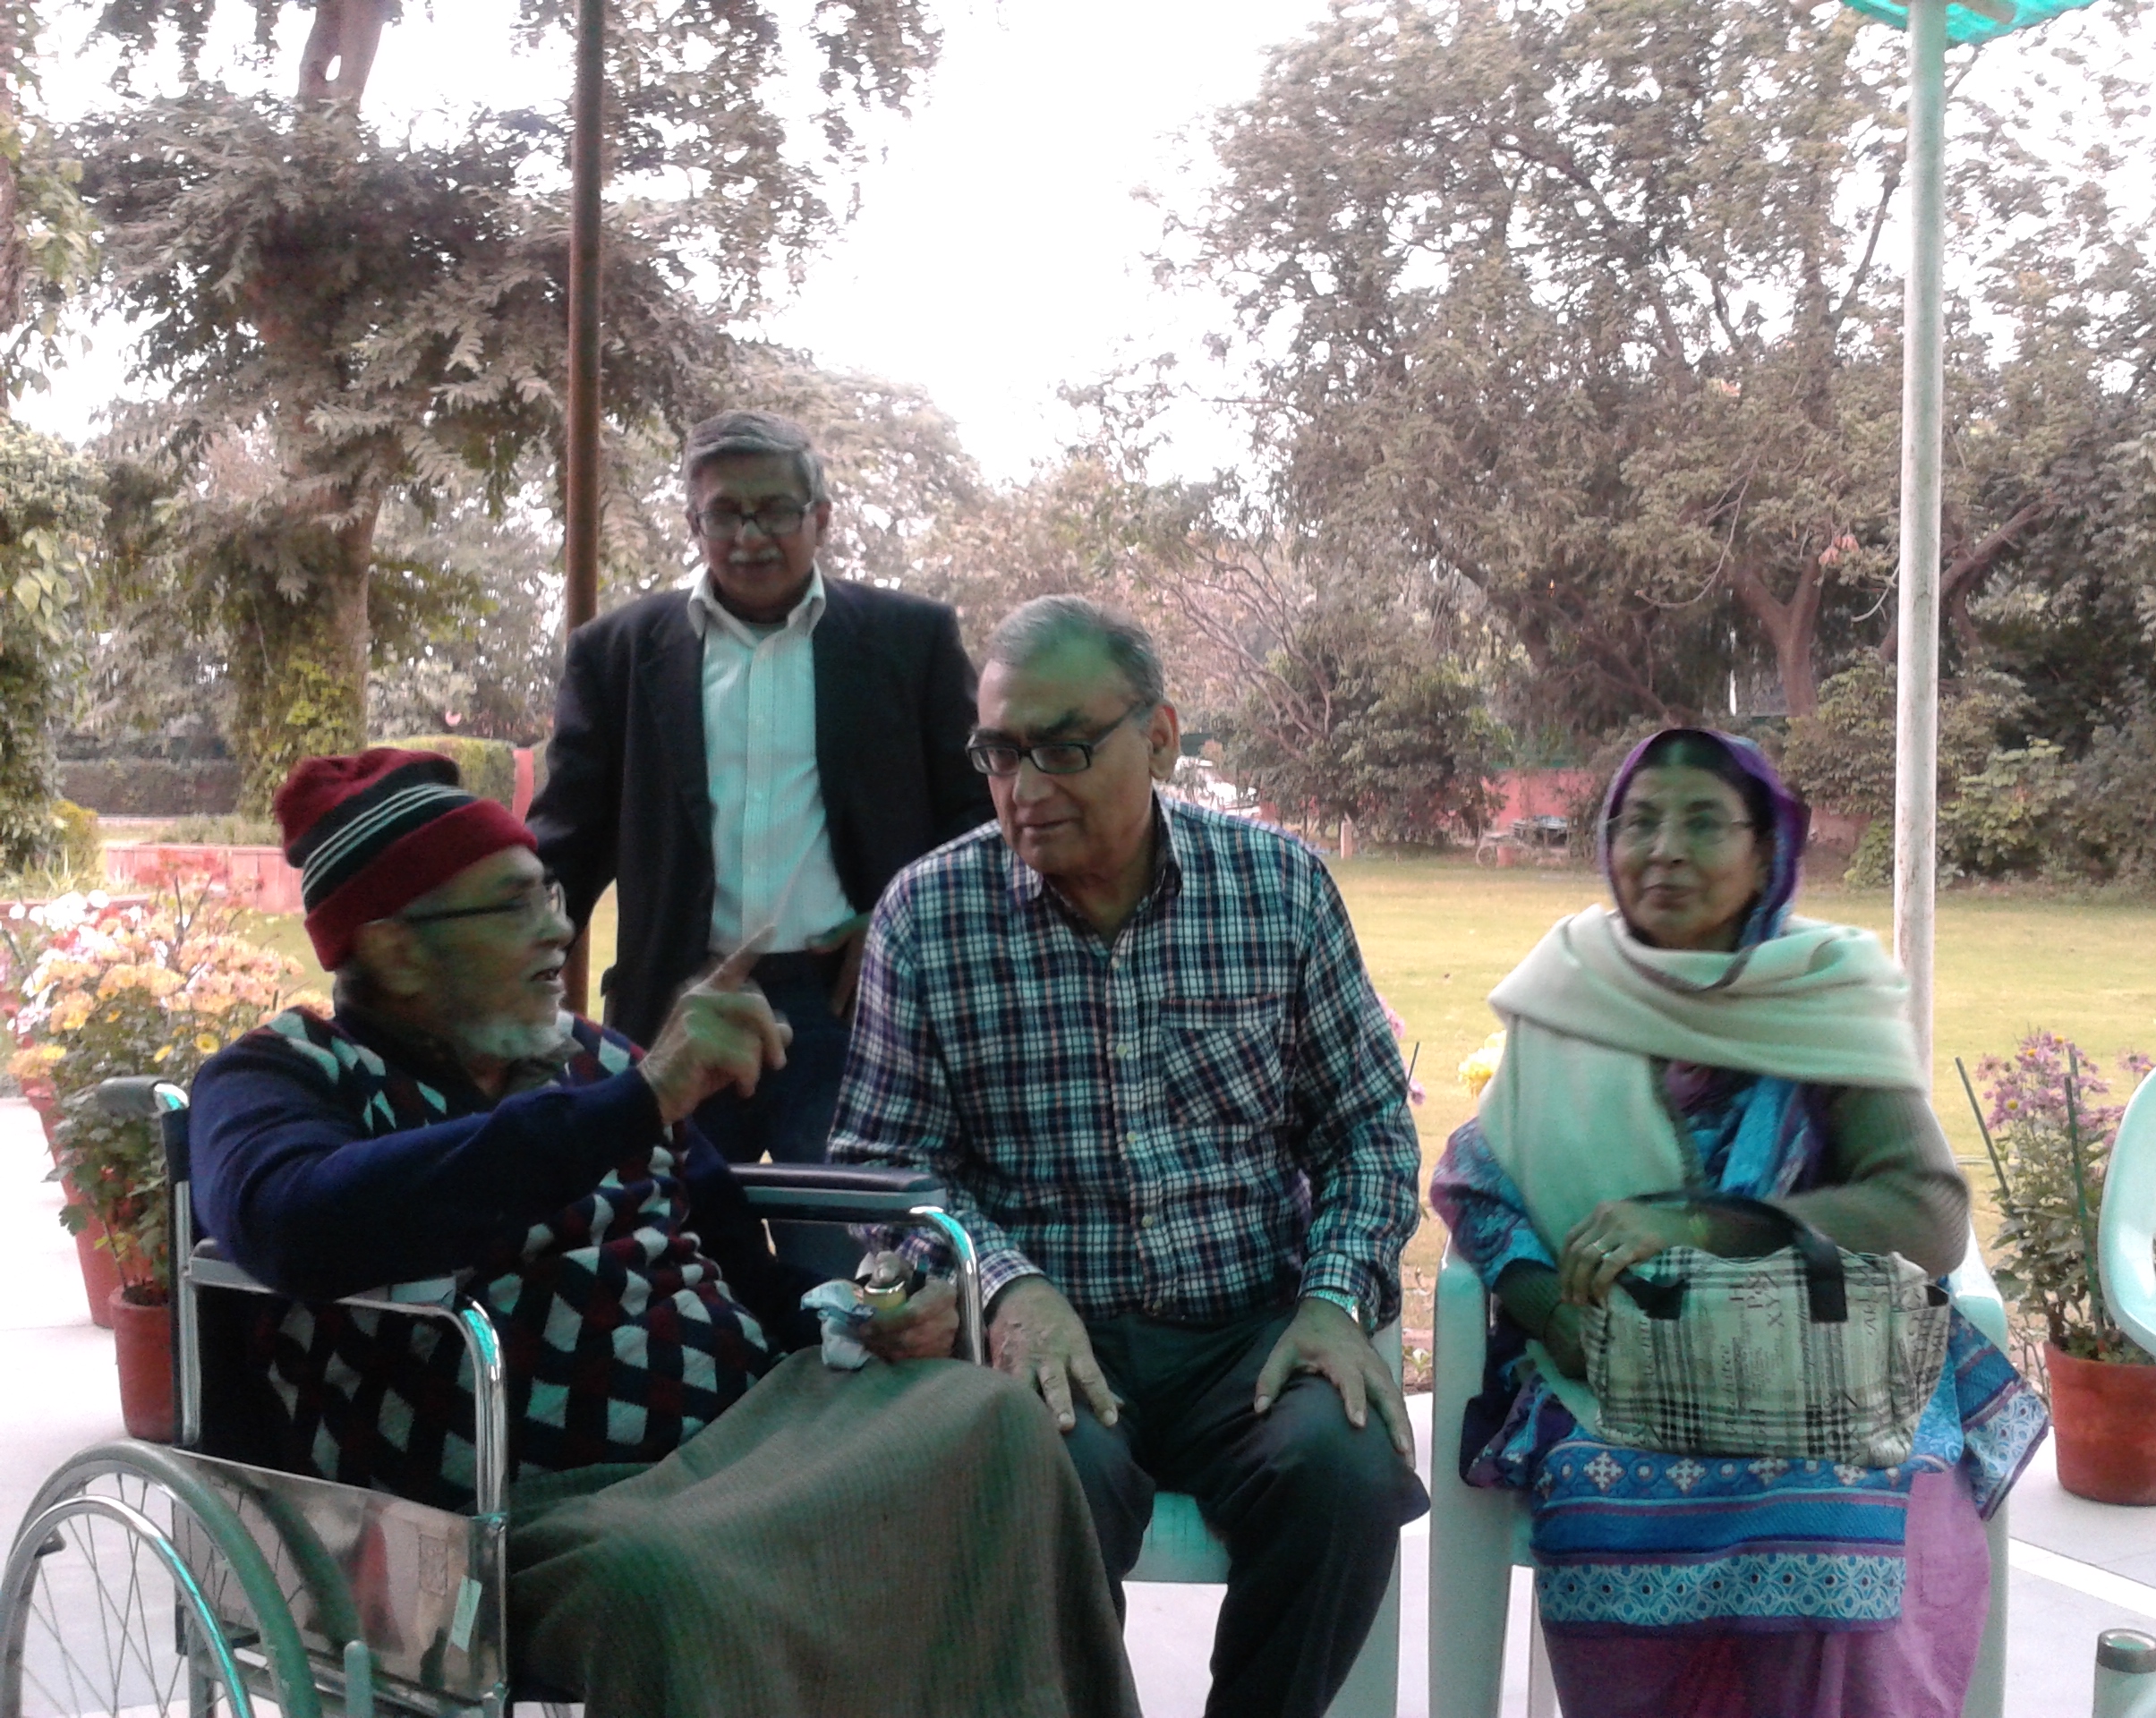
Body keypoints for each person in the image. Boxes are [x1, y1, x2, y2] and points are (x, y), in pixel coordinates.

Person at [191, 747, 1138, 1718]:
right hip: (525, 1510)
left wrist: (850, 1317)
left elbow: (738, 1267)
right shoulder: (284, 1078)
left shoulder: (601, 1063)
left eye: (552, 894)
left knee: (996, 1424)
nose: (559, 929)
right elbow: (294, 1223)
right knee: (670, 1589)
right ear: (392, 948)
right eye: (513, 906)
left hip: (753, 1433)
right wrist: (633, 1103)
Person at [829, 595, 1429, 1718]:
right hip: (1055, 1340)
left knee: (1343, 1471)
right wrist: (1005, 1288)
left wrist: (1336, 1298)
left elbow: (1367, 1127)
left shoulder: (1276, 888)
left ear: (1157, 736)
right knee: (1042, 1480)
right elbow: (884, 1165)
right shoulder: (929, 914)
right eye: (999, 752)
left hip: (1246, 1331)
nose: (1025, 786)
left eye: (1064, 746)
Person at [1429, 727, 2050, 1718]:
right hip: (1618, 1377)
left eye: (1703, 823)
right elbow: (1477, 1181)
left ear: (1767, 851)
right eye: (1639, 822)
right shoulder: (1571, 987)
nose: (1664, 849)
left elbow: (1926, 1213)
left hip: (1822, 1367)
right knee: (1604, 1491)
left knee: (1843, 1509)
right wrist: (1555, 1318)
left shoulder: (1820, 992)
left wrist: (1710, 1225)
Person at [529, 409, 993, 1175]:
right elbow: (565, 842)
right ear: (693, 523)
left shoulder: (911, 642)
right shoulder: (617, 654)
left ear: (821, 518)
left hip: (850, 1006)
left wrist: (898, 913)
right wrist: (508, 980)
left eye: (775, 510)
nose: (750, 537)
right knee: (683, 1249)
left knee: (851, 1260)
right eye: (724, 514)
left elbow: (981, 813)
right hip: (680, 1004)